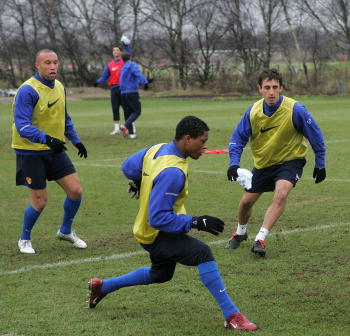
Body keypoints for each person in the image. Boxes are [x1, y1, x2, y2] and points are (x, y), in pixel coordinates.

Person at [87, 116, 257, 331]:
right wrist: (195, 221)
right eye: (202, 141)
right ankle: (232, 315)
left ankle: (103, 287)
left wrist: (141, 181)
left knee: (161, 274)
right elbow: (157, 217)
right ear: (187, 139)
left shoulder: (158, 149)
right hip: (157, 231)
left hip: (145, 229)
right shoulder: (172, 172)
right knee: (202, 253)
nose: (205, 146)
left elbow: (128, 167)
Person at [224, 68, 326, 257]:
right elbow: (237, 139)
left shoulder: (295, 110)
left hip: (290, 161)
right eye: (267, 87)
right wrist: (233, 163)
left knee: (281, 194)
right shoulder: (253, 112)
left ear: (281, 88)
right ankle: (240, 233)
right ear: (260, 89)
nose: (271, 92)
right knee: (246, 202)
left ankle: (260, 238)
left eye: (275, 87)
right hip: (264, 164)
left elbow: (316, 136)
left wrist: (320, 163)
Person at [11, 49, 88, 254]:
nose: (53, 66)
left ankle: (66, 230)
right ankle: (24, 239)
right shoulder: (28, 90)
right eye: (47, 62)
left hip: (54, 149)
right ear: (37, 65)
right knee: (40, 201)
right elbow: (22, 125)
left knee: (75, 191)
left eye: (55, 62)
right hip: (30, 151)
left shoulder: (60, 87)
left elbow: (64, 117)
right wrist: (46, 138)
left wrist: (76, 140)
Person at [94, 36, 133, 135]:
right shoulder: (110, 64)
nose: (115, 52)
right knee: (115, 109)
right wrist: (98, 82)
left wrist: (126, 45)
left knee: (126, 109)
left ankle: (129, 127)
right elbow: (104, 76)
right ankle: (116, 128)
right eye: (114, 50)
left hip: (123, 89)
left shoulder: (124, 62)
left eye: (117, 50)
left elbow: (130, 55)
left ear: (120, 52)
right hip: (114, 89)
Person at [119, 51, 148, 139]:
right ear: (130, 58)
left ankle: (131, 133)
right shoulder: (132, 65)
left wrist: (139, 83)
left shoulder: (123, 67)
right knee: (137, 112)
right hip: (132, 92)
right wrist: (145, 82)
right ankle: (125, 126)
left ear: (122, 60)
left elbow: (130, 80)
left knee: (128, 113)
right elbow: (137, 73)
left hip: (123, 93)